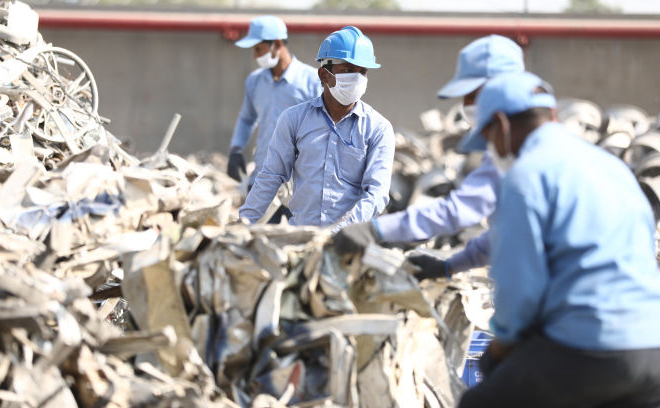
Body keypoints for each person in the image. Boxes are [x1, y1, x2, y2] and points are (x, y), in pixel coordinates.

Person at [457, 71, 660, 407]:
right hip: (652, 349)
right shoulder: (613, 168)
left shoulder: (526, 177)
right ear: (551, 116)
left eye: (489, 138)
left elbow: (518, 291)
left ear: (501, 126)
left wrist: (498, 348)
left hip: (591, 349)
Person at [333, 35, 523, 278]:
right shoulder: (507, 148)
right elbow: (506, 232)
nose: (465, 105)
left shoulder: (530, 153)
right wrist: (452, 265)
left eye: (472, 95)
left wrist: (376, 229)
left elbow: (458, 211)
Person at [239, 26, 394, 228]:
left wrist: (339, 232)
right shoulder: (293, 120)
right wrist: (243, 223)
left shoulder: (378, 129)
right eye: (348, 70)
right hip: (301, 237)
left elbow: (376, 194)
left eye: (362, 72)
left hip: (347, 244)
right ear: (324, 75)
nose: (357, 78)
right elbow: (271, 177)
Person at [228, 15, 321, 190]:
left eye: (259, 49)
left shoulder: (313, 82)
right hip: (261, 180)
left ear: (277, 44)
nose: (255, 55)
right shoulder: (255, 81)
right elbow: (247, 119)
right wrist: (236, 149)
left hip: (300, 185)